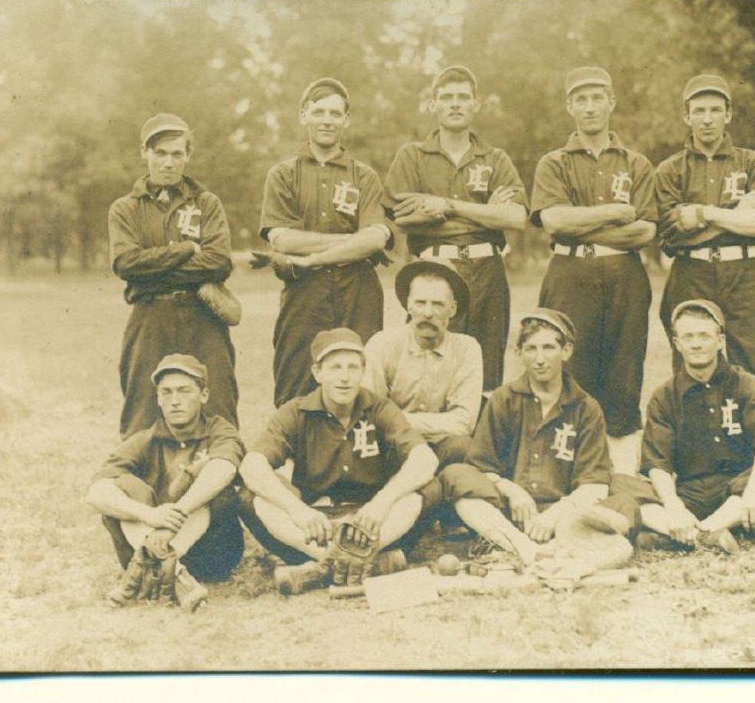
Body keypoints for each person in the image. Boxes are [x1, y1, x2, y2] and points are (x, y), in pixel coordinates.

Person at [237, 328, 439, 594]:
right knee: (249, 496)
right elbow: (251, 465)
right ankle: (367, 563)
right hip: (316, 528)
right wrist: (300, 512)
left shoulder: (379, 408)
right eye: (335, 368)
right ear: (317, 372)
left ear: (363, 372)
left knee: (431, 488)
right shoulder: (296, 412)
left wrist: (381, 504)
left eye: (352, 367)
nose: (344, 377)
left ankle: (321, 569)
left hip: (373, 524)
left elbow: (425, 459)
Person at [529, 66, 658, 474]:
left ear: (611, 102)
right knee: (567, 369)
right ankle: (563, 472)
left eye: (597, 97)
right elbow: (555, 222)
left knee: (624, 372)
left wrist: (586, 222)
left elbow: (646, 230)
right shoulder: (555, 162)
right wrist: (615, 213)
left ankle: (619, 476)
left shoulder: (635, 163)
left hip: (624, 276)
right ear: (570, 107)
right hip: (571, 272)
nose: (589, 107)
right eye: (580, 99)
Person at [600, 300, 755, 554]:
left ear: (720, 341)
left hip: (736, 492)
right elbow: (658, 465)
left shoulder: (746, 384)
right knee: (617, 484)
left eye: (704, 335)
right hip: (688, 496)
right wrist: (674, 506)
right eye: (688, 336)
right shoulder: (665, 396)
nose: (696, 343)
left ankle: (689, 534)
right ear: (677, 343)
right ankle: (701, 533)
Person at [382, 65, 528, 394]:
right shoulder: (412, 156)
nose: (455, 104)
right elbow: (402, 217)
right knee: (426, 368)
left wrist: (447, 206)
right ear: (433, 104)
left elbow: (516, 218)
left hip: (488, 271)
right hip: (434, 268)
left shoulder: (495, 158)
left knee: (487, 372)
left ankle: (480, 445)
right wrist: (488, 212)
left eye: (463, 97)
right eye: (446, 97)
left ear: (476, 104)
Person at [654, 74, 755, 407]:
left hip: (745, 272)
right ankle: (698, 453)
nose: (708, 118)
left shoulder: (750, 162)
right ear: (687, 116)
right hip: (692, 273)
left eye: (716, 110)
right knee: (692, 362)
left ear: (728, 114)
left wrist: (706, 213)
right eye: (699, 110)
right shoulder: (671, 170)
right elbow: (672, 234)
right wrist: (737, 213)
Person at [439, 309, 613, 567]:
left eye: (549, 348)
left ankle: (552, 544)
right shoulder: (504, 399)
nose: (540, 359)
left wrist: (553, 516)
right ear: (519, 354)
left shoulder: (586, 407)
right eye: (531, 349)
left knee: (617, 497)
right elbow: (481, 466)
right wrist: (512, 491)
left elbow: (594, 483)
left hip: (562, 513)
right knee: (456, 476)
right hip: (510, 512)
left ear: (566, 351)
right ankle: (525, 549)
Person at [258, 78, 393, 408]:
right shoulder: (284, 174)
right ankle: (299, 459)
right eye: (318, 112)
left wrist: (317, 255)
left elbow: (376, 238)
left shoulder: (363, 176)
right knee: (296, 382)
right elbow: (283, 238)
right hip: (303, 289)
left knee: (362, 381)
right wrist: (352, 241)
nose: (327, 120)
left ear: (346, 120)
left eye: (335, 113)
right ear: (304, 115)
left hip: (358, 290)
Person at [108, 113, 238, 439]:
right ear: (144, 152)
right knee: (142, 409)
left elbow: (219, 262)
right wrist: (185, 250)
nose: (168, 162)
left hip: (203, 315)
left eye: (177, 153)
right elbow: (126, 263)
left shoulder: (206, 203)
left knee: (218, 403)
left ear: (188, 156)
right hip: (149, 316)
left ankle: (222, 483)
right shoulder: (126, 208)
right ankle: (137, 486)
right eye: (160, 153)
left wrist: (153, 269)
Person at [87, 354, 245, 611]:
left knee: (211, 484)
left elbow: (224, 468)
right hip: (146, 540)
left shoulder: (219, 429)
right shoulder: (144, 439)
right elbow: (95, 492)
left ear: (204, 395)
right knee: (125, 485)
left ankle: (157, 563)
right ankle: (178, 575)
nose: (175, 400)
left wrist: (175, 515)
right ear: (158, 399)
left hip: (211, 555)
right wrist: (149, 515)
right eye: (166, 392)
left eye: (184, 391)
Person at [363, 258, 482, 470]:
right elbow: (370, 415)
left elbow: (463, 423)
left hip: (440, 448)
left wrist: (396, 419)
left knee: (465, 449)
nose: (428, 313)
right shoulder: (383, 344)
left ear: (452, 309)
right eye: (420, 303)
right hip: (391, 446)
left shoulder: (467, 349)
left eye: (438, 304)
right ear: (408, 305)